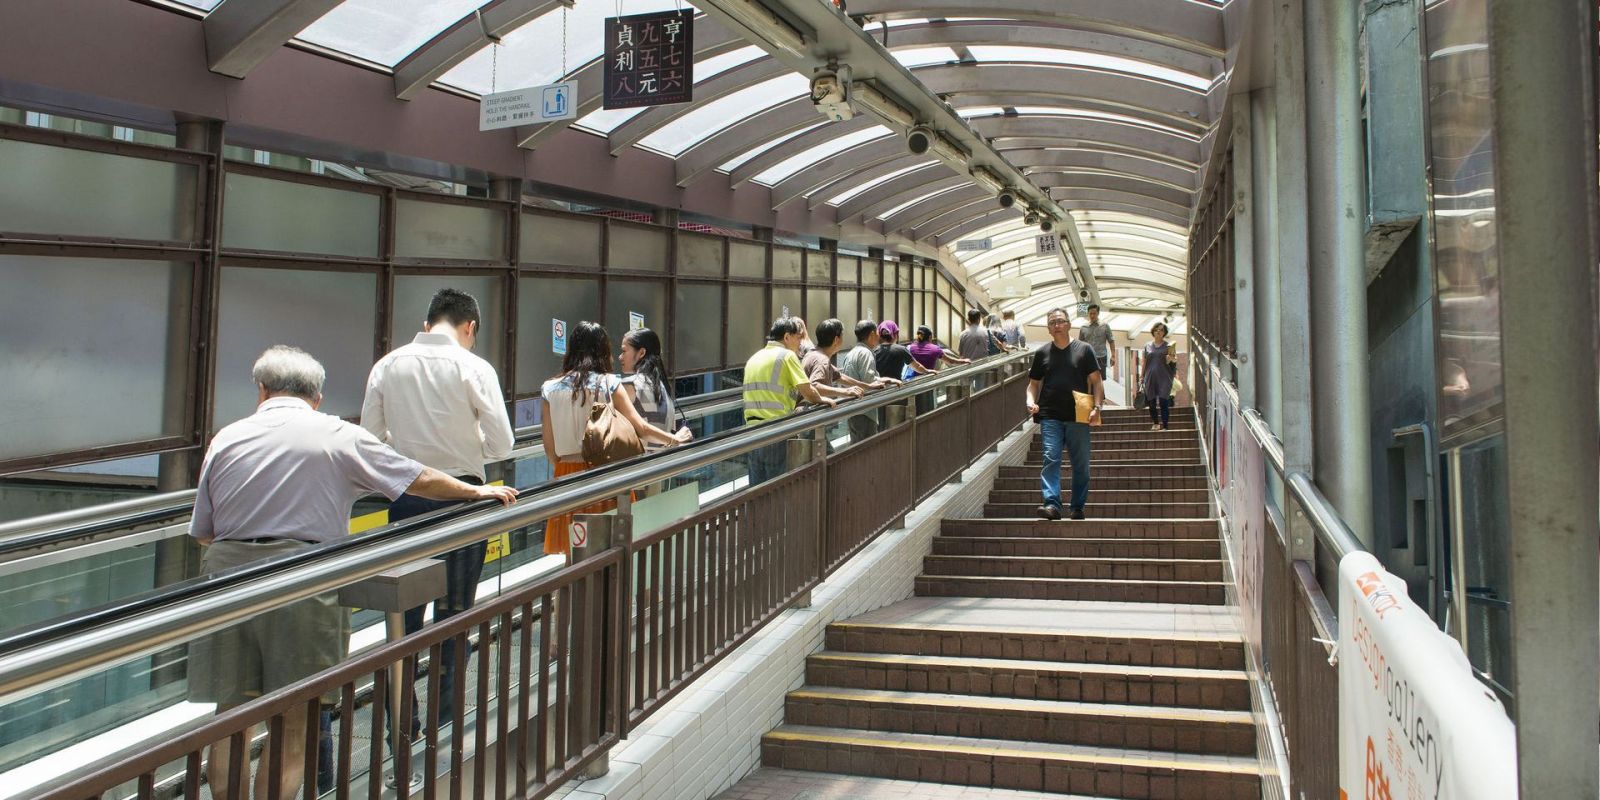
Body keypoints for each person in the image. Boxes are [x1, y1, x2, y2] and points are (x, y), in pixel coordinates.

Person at [190, 346, 516, 800]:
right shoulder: (335, 434)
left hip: (226, 579)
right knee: (296, 715)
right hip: (303, 576)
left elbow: (204, 532)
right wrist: (473, 492)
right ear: (317, 397)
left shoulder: (225, 438)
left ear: (261, 390)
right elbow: (414, 477)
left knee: (231, 715)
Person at [360, 288, 515, 728]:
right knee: (454, 617)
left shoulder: (387, 366)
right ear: (470, 327)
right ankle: (444, 728)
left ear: (428, 324)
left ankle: (400, 732)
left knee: (402, 621)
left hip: (407, 500)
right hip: (466, 503)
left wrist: (407, 452)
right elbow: (502, 443)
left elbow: (371, 441)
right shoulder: (474, 367)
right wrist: (468, 448)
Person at [541, 322, 689, 559]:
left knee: (573, 552)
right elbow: (639, 427)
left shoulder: (549, 389)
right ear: (602, 350)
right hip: (605, 473)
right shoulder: (610, 384)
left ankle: (571, 595)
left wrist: (565, 466)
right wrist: (674, 439)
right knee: (609, 552)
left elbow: (549, 447)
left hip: (566, 474)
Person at [1025, 308, 1105, 521]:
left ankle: (1077, 506)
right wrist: (1030, 401)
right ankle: (1052, 505)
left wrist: (1097, 407)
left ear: (1069, 324)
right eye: (1052, 322)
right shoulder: (1042, 353)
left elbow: (1097, 381)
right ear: (1048, 329)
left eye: (1060, 321)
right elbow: (1033, 385)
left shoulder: (1084, 349)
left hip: (1079, 415)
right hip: (1050, 414)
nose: (1057, 324)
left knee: (1081, 464)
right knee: (1050, 457)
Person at [742, 316, 839, 484]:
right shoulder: (786, 356)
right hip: (777, 430)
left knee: (758, 491)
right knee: (778, 487)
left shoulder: (754, 357)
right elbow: (807, 390)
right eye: (798, 337)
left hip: (752, 433)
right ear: (786, 337)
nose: (800, 342)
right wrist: (823, 400)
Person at [619, 327, 688, 452]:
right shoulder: (663, 387)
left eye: (624, 351)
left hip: (636, 465)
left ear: (641, 353)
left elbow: (642, 429)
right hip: (661, 463)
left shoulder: (629, 385)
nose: (620, 357)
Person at [837, 319, 902, 442]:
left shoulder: (852, 352)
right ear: (872, 334)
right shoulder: (866, 353)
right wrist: (886, 383)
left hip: (853, 410)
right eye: (877, 333)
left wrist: (886, 379)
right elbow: (870, 382)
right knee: (867, 449)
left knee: (856, 447)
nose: (879, 336)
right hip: (864, 411)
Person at [1141, 321, 1177, 431]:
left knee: (1163, 400)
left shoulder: (1168, 346)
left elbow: (1174, 360)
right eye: (1156, 329)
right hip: (1150, 376)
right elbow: (1144, 362)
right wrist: (1142, 376)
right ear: (1153, 331)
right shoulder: (1147, 346)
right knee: (1151, 401)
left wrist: (1172, 359)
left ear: (1164, 333)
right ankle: (1156, 423)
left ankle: (1165, 425)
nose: (1158, 331)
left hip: (1165, 377)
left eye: (1161, 330)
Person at [1079, 303, 1114, 377]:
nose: (1092, 316)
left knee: (1100, 381)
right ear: (1088, 313)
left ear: (1098, 313)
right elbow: (1080, 344)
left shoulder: (1105, 326)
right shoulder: (1083, 327)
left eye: (1094, 313)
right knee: (1088, 379)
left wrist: (1113, 356)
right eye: (1090, 313)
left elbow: (1111, 341)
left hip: (1101, 357)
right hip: (1087, 358)